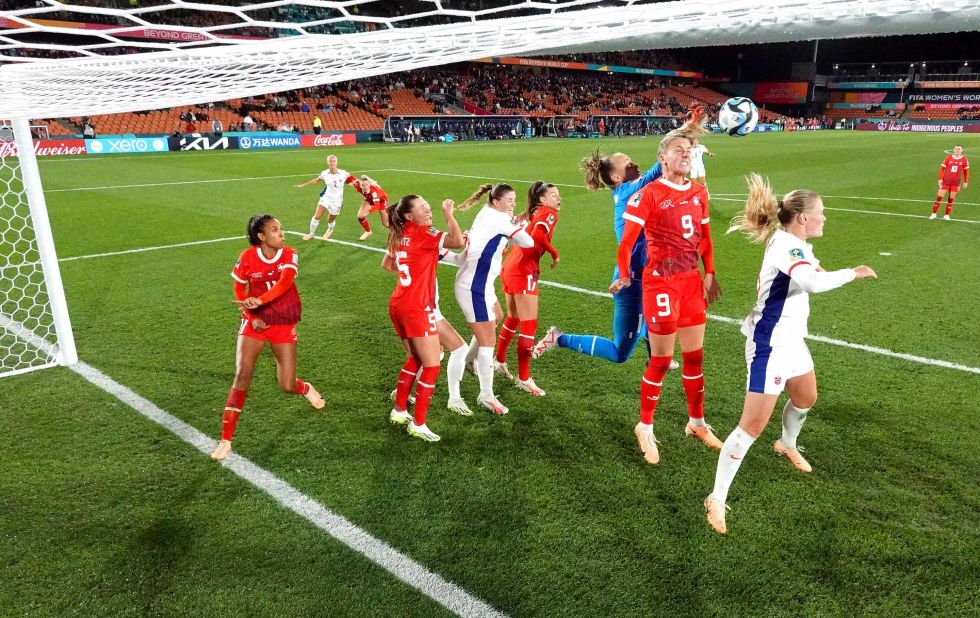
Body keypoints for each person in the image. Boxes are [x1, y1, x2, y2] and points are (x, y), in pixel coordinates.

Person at [704, 174, 877, 534]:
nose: (824, 218)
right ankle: (716, 498)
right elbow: (812, 281)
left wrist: (824, 270)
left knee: (805, 397)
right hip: (770, 344)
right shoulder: (787, 247)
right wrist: (853, 272)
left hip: (792, 339)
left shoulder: (793, 245)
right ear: (803, 218)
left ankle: (786, 443)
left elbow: (811, 273)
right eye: (821, 213)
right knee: (750, 427)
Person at [533, 104, 704, 366]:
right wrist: (687, 128)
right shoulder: (627, 192)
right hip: (630, 282)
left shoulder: (634, 190)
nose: (634, 164)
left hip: (648, 275)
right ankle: (559, 337)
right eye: (628, 163)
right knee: (619, 353)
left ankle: (655, 357)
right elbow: (660, 165)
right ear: (616, 176)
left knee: (658, 313)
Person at [609, 119, 724, 465]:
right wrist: (627, 275)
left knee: (694, 358)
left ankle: (697, 423)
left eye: (689, 151)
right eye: (679, 150)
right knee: (660, 360)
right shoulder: (647, 194)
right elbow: (627, 242)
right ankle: (644, 426)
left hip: (691, 282)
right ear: (662, 157)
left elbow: (705, 240)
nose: (686, 155)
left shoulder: (699, 193)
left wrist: (710, 274)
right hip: (660, 282)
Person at [211, 215, 325, 461]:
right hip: (255, 320)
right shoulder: (247, 257)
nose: (281, 233)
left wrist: (260, 299)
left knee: (287, 384)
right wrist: (250, 315)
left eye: (281, 229)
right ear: (261, 237)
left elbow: (285, 283)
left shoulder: (289, 253)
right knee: (242, 374)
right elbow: (239, 288)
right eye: (275, 230)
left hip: (283, 319)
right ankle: (226, 440)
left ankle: (304, 388)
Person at [384, 195, 466, 441]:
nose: (428, 209)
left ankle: (399, 410)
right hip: (418, 308)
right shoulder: (425, 232)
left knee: (417, 358)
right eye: (422, 207)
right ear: (409, 216)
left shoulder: (400, 233)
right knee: (431, 364)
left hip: (399, 303)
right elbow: (457, 241)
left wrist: (416, 267)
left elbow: (388, 265)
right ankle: (419, 424)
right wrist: (449, 213)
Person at [451, 183, 534, 415]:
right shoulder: (498, 219)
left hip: (481, 283)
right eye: (509, 201)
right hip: (473, 287)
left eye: (514, 200)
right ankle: (486, 395)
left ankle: (468, 360)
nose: (513, 204)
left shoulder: (490, 213)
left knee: (497, 316)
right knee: (488, 342)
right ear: (496, 202)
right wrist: (518, 225)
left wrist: (512, 224)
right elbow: (528, 242)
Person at [494, 181, 561, 396]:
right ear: (542, 199)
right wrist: (554, 252)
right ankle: (524, 378)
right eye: (553, 195)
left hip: (510, 267)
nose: (558, 198)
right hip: (523, 271)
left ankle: (499, 361)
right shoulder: (548, 213)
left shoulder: (532, 212)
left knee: (513, 317)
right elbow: (539, 236)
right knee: (528, 326)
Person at [295, 154, 356, 241]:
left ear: (336, 162)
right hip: (326, 198)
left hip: (337, 201)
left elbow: (354, 179)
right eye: (330, 161)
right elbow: (316, 180)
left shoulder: (343, 173)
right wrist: (303, 185)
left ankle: (330, 229)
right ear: (327, 163)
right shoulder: (325, 173)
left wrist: (352, 183)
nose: (332, 163)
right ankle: (311, 234)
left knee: (330, 220)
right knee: (317, 216)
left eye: (334, 161)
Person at [930, 145, 969, 220]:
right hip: (945, 182)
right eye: (956, 149)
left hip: (956, 183)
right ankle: (934, 214)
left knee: (951, 199)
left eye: (959, 149)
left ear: (962, 150)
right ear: (954, 150)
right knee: (939, 198)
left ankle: (946, 215)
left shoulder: (964, 160)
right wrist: (940, 179)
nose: (957, 150)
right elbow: (942, 169)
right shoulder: (948, 158)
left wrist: (966, 181)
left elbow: (966, 171)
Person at [353, 175, 391, 241]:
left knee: (385, 223)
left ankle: (396, 232)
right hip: (370, 198)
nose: (364, 187)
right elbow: (351, 179)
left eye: (366, 185)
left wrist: (368, 212)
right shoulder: (357, 185)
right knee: (360, 216)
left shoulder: (374, 192)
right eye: (363, 185)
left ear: (369, 185)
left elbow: (377, 206)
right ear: (360, 185)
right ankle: (368, 231)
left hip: (382, 199)